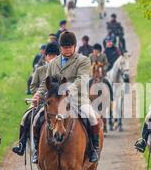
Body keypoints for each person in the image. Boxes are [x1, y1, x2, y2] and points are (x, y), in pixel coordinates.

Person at [33, 31, 101, 163]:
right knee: (37, 119)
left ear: (75, 46)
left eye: (70, 47)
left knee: (92, 117)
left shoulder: (83, 60)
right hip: (56, 101)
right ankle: (37, 150)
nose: (68, 50)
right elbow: (45, 82)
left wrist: (69, 89)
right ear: (60, 48)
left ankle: (93, 149)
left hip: (78, 99)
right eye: (65, 47)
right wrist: (38, 94)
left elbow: (82, 79)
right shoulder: (53, 63)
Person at [12, 42, 60, 160]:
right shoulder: (40, 70)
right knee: (27, 117)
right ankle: (24, 145)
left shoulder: (61, 70)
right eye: (50, 55)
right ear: (45, 57)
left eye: (55, 56)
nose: (52, 58)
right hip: (41, 102)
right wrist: (38, 96)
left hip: (57, 103)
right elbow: (33, 87)